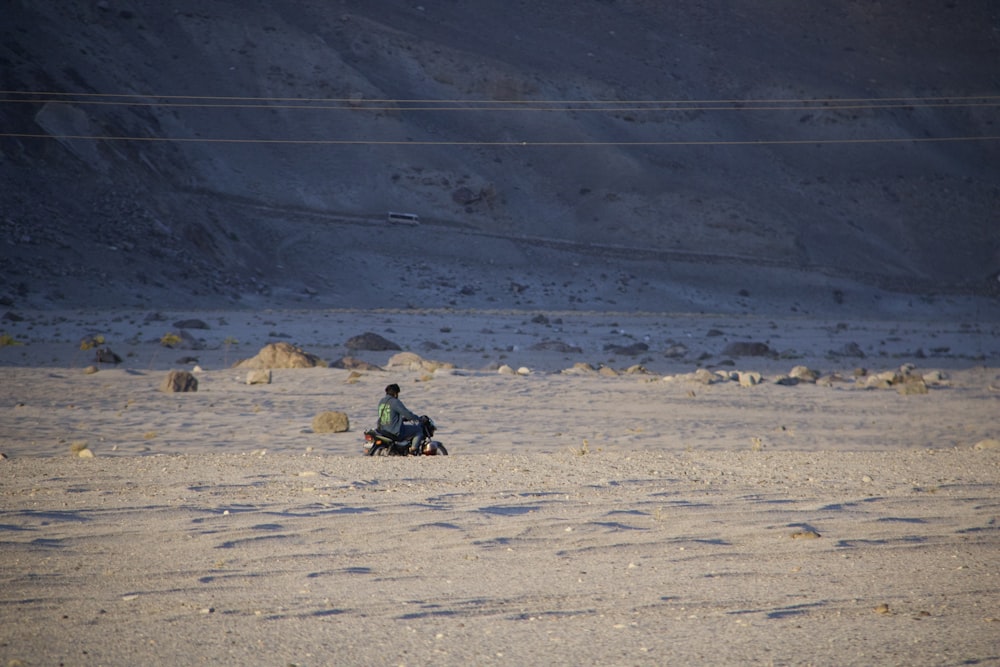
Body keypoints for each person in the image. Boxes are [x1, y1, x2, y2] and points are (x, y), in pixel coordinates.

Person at [376, 383, 427, 455]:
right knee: (418, 430)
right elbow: (407, 414)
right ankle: (413, 450)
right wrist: (418, 418)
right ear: (395, 393)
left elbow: (390, 415)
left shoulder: (382, 401)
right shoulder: (394, 402)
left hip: (383, 429)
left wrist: (401, 419)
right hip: (393, 431)